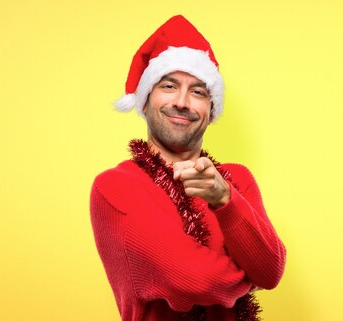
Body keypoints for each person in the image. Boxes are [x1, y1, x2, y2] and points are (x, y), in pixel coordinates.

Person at [90, 15, 286, 321]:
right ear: (144, 101)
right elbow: (194, 281)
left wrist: (225, 201)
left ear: (211, 111)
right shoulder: (115, 186)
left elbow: (272, 272)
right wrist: (250, 277)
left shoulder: (237, 181)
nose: (182, 102)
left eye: (198, 91)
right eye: (169, 85)